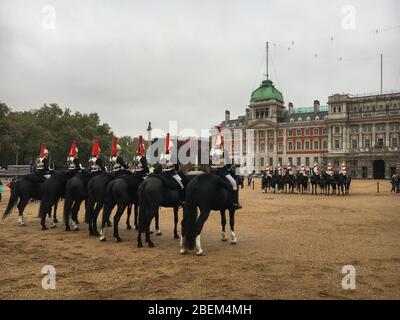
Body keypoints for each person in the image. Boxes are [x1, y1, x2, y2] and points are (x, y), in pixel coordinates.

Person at [209, 127, 242, 209]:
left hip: (212, 172)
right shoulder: (224, 151)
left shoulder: (212, 151)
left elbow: (209, 162)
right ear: (222, 142)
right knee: (234, 184)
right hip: (222, 172)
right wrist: (230, 167)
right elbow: (229, 165)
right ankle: (234, 202)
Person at [159, 133, 184, 202]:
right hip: (171, 173)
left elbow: (160, 164)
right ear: (170, 147)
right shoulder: (172, 155)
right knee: (181, 184)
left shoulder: (162, 155)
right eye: (172, 147)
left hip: (162, 173)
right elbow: (176, 168)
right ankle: (182, 200)